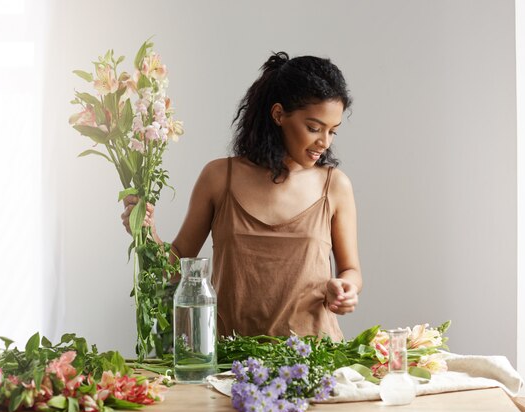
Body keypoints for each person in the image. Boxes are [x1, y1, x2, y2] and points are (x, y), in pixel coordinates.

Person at [122, 51, 361, 341]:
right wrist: (147, 233)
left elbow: (351, 270)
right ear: (278, 114)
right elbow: (177, 267)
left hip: (313, 362)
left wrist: (346, 287)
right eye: (313, 128)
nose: (324, 142)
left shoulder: (334, 186)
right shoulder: (219, 177)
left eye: (332, 131)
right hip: (230, 363)